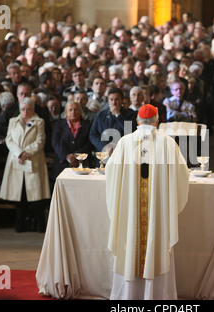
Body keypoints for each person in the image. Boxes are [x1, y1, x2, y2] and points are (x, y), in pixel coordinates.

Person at [105, 104, 190, 300]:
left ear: (137, 121)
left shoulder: (125, 143)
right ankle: (156, 296)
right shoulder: (168, 143)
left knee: (131, 239)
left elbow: (110, 172)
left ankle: (128, 297)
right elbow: (182, 174)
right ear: (157, 121)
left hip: (131, 213)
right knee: (156, 241)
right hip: (158, 213)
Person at [0, 97, 50, 233]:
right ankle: (20, 224)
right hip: (17, 160)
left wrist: (27, 152)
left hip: (33, 160)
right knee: (19, 194)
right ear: (19, 110)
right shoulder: (13, 121)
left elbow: (40, 140)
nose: (25, 112)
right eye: (23, 109)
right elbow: (9, 139)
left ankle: (41, 225)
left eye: (28, 109)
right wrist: (19, 153)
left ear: (33, 110)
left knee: (36, 195)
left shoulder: (39, 122)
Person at [51, 100, 93, 182]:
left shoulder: (87, 124)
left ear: (80, 111)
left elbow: (90, 143)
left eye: (76, 109)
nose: (73, 112)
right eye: (70, 110)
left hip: (81, 163)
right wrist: (68, 157)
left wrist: (76, 156)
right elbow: (55, 142)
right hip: (62, 162)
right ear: (66, 112)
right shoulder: (59, 124)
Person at [89, 87, 137, 152]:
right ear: (108, 100)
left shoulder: (130, 114)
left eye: (116, 99)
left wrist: (118, 115)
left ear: (122, 100)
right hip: (104, 153)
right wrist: (104, 146)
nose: (114, 102)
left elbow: (130, 132)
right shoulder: (100, 115)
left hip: (123, 152)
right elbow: (93, 135)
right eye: (111, 99)